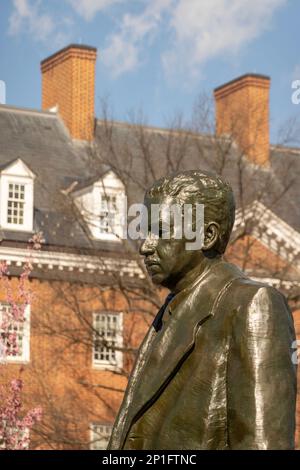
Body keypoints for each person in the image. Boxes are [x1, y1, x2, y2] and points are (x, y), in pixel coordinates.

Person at [108, 170, 297, 450]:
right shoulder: (170, 312)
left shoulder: (253, 305)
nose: (145, 246)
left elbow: (263, 443)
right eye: (146, 231)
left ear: (207, 236)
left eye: (160, 231)